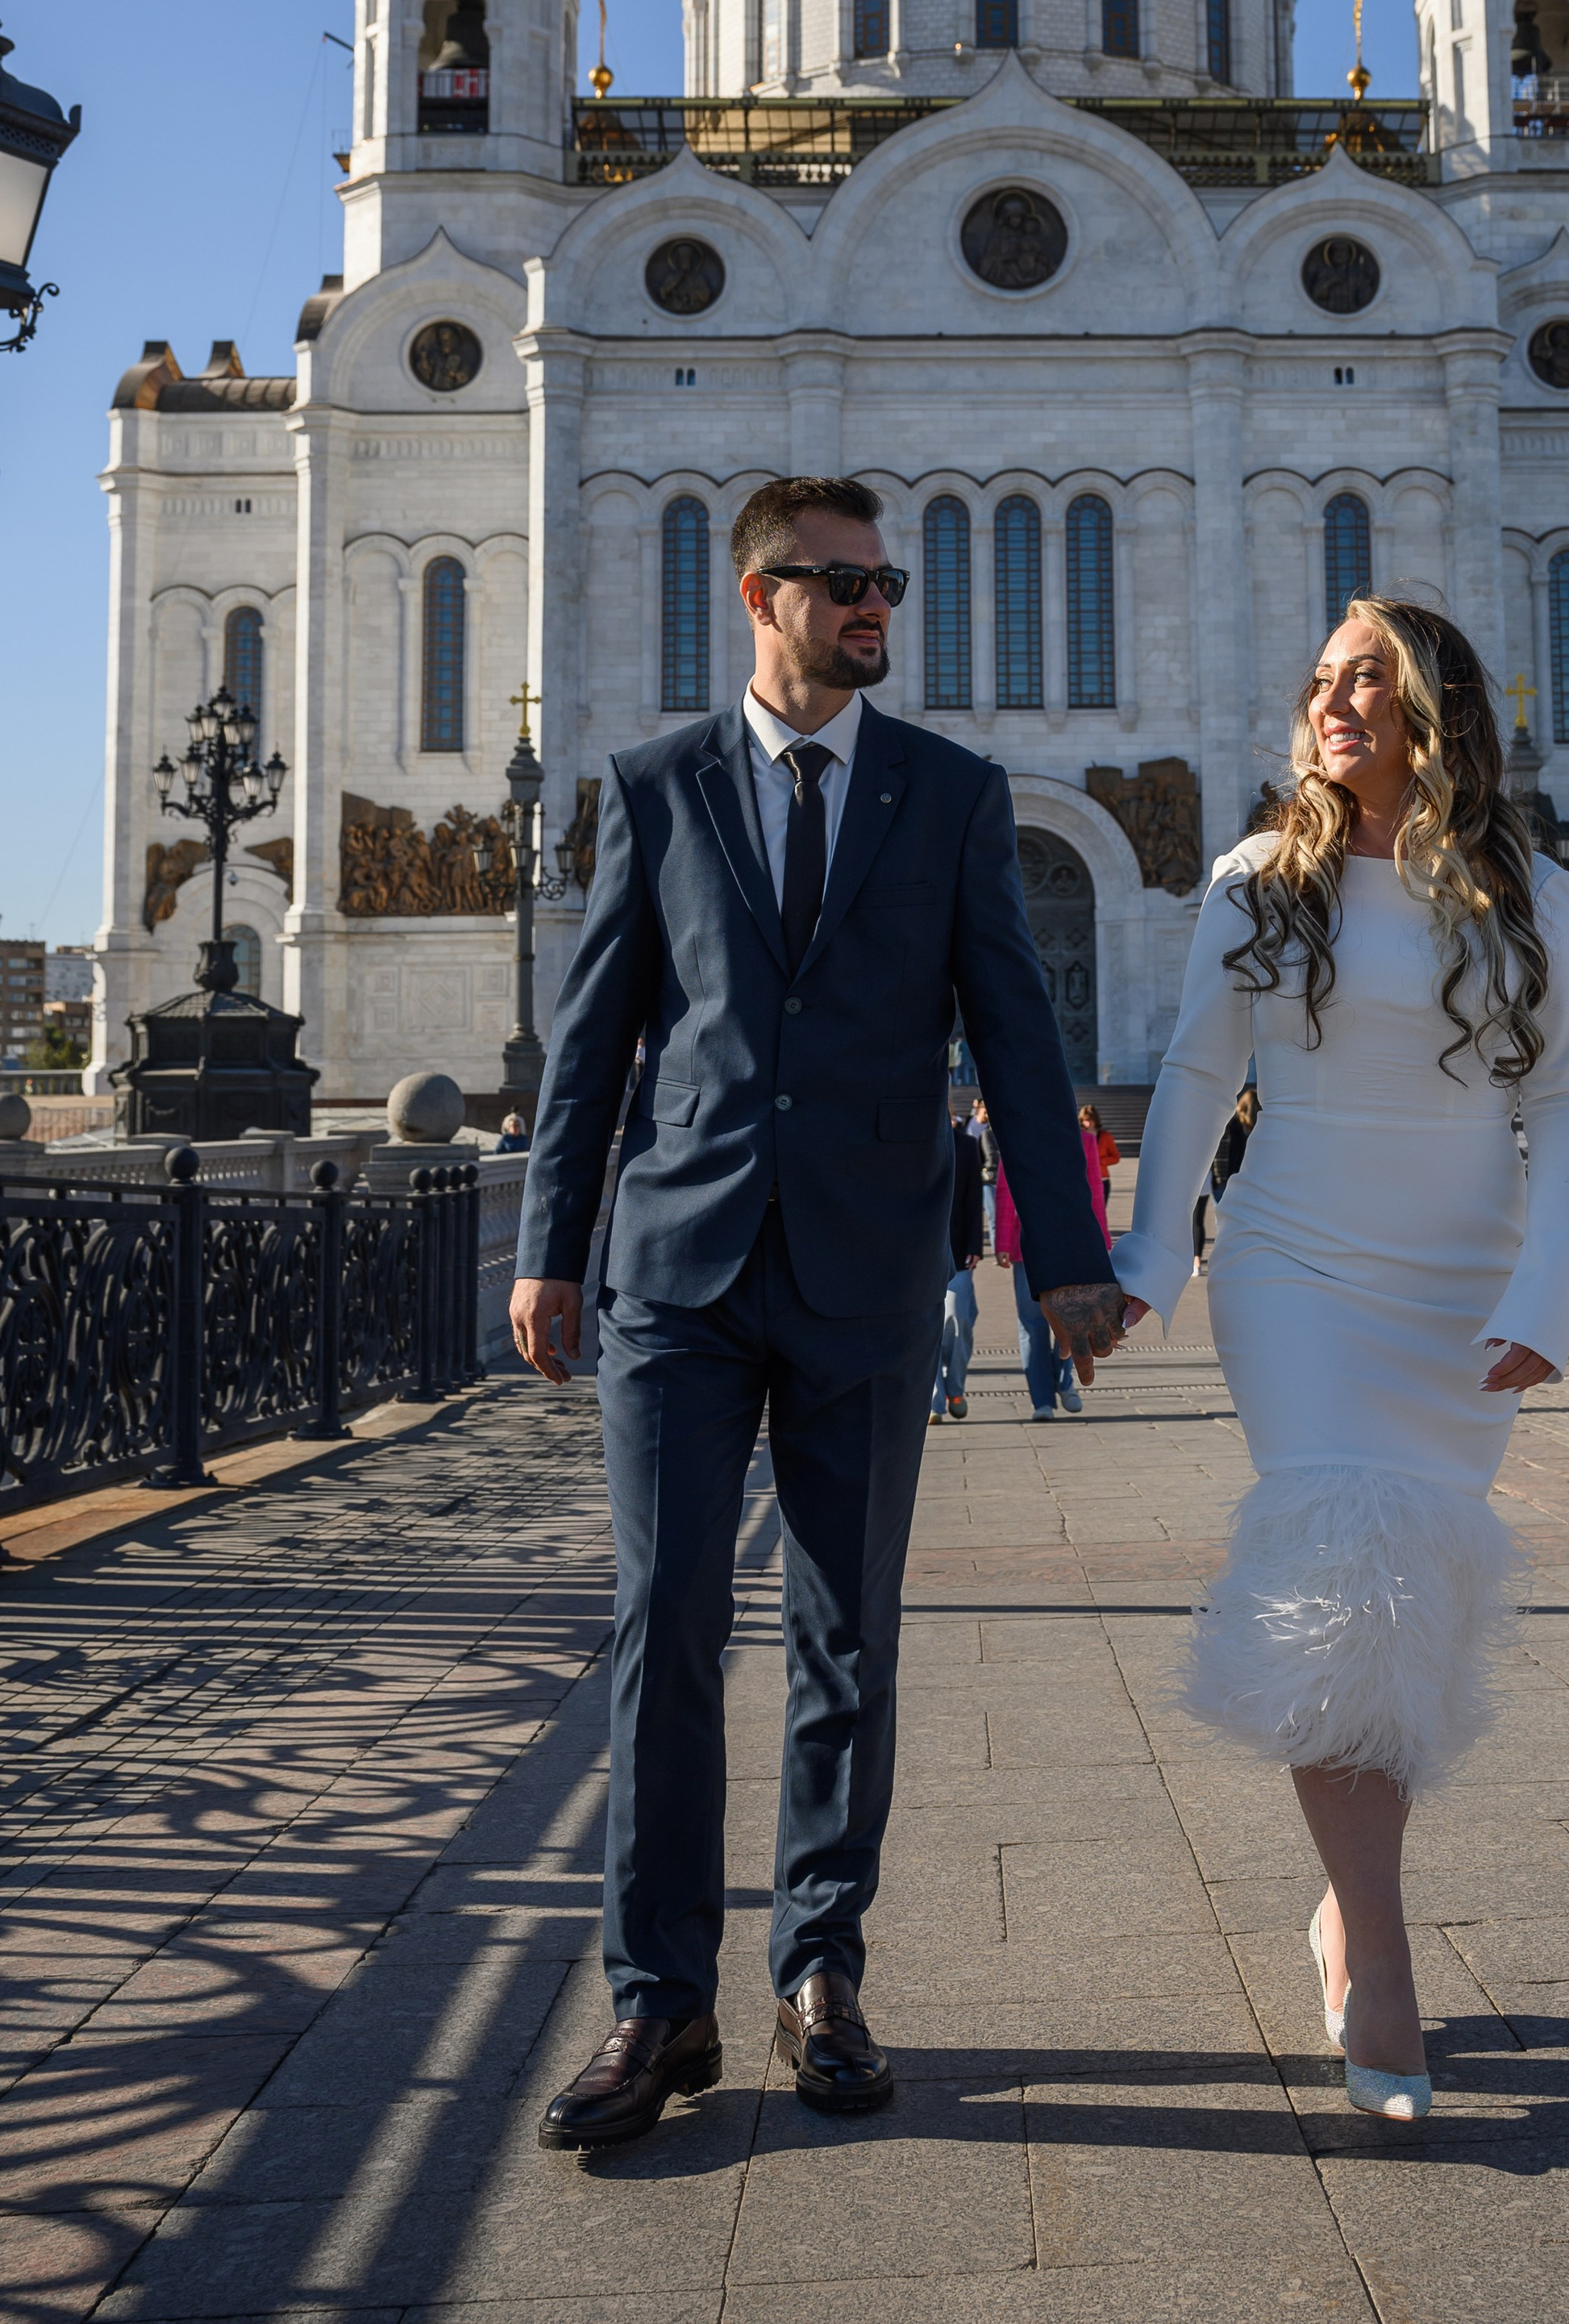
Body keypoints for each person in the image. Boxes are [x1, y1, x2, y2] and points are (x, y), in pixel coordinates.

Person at [508, 475, 1117, 2151]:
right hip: (676, 1276)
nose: (876, 608)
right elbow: (595, 1043)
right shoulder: (655, 786)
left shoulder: (949, 794)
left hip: (864, 1270)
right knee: (664, 1633)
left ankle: (820, 1973)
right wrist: (547, 1247)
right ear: (759, 596)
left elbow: (1014, 1028)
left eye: (886, 584)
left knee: (849, 1634)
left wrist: (1063, 1256)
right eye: (843, 583)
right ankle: (657, 2003)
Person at [1112, 597, 1569, 2122]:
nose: (1332, 703)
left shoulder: (1534, 894)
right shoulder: (1261, 876)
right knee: (1343, 1573)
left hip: (1459, 1279)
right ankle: (1381, 1961)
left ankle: (1341, 1906)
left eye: (1366, 678)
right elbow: (1200, 1068)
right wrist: (1146, 1258)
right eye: (1320, 680)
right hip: (1299, 1266)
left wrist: (1548, 1292)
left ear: (1433, 709)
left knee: (1409, 1608)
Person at [997, 1116, 1111, 1417]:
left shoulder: (1084, 1140)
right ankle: (1042, 1400)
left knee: (1073, 1317)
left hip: (1071, 1244)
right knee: (1032, 1325)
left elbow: (1094, 1192)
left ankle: (1065, 1381)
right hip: (1027, 1245)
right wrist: (1003, 1242)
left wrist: (1100, 1242)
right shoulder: (1014, 1136)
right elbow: (1006, 1191)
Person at [931, 1111, 986, 1424]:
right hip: (913, 1258)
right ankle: (934, 1400)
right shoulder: (902, 1142)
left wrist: (975, 1247)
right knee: (925, 1331)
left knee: (959, 1322)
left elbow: (974, 1199)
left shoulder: (966, 1145)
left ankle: (956, 1387)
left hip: (958, 1250)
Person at [1190, 1084, 1260, 1268]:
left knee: (1221, 1221)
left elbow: (1221, 1156)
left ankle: (1227, 1257)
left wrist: (1221, 1180)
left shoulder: (1233, 1126)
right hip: (1245, 1181)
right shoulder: (1255, 1129)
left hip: (1224, 1180)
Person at [970, 1093, 1000, 1256]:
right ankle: (997, 1251)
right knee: (993, 1218)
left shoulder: (1007, 1135)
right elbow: (990, 1156)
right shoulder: (986, 1135)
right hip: (990, 1180)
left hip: (1004, 1180)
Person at [1081, 1102, 1120, 1210]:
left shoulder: (1105, 1136)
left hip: (1102, 1178)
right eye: (1086, 1120)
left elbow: (1115, 1157)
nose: (1088, 1124)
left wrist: (1100, 1161)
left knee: (1100, 1210)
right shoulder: (1080, 1137)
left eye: (1090, 1120)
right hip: (1085, 1178)